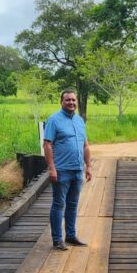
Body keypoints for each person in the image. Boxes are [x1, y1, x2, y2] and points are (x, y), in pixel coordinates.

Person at [43, 89, 92, 250]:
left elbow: (85, 145)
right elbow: (47, 145)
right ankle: (57, 240)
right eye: (68, 100)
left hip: (77, 170)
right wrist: (52, 168)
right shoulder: (54, 120)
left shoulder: (79, 120)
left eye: (73, 100)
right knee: (58, 204)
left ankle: (70, 236)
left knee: (72, 204)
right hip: (61, 170)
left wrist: (88, 166)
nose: (71, 102)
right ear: (61, 102)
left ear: (76, 102)